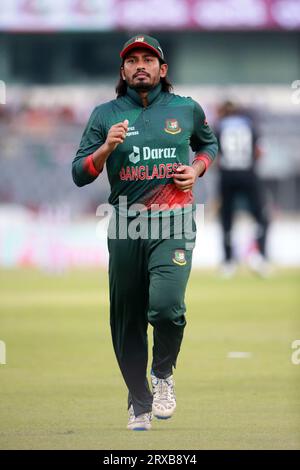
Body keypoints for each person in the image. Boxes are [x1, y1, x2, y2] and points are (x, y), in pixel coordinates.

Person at [72, 34, 218, 430]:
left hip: (174, 222)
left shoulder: (186, 110)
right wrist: (104, 149)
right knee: (127, 318)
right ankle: (139, 403)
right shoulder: (104, 115)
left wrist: (197, 169)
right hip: (125, 224)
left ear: (162, 69)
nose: (140, 65)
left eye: (148, 60)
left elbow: (208, 145)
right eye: (132, 60)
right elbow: (79, 174)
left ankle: (164, 374)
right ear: (123, 70)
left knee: (167, 306)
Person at [215, 101, 269, 277]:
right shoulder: (250, 124)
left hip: (227, 175)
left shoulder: (219, 125)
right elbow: (260, 151)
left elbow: (213, 153)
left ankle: (229, 261)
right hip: (248, 173)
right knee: (259, 215)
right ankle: (259, 256)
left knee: (226, 217)